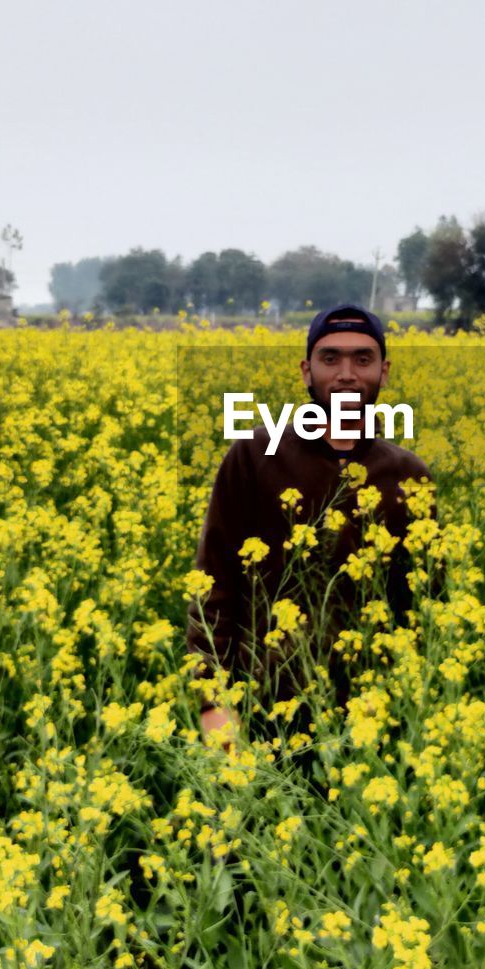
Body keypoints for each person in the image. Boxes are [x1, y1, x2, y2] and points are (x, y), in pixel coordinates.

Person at [185, 303, 435, 752]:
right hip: (262, 711)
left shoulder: (408, 475)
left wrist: (408, 702)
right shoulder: (253, 456)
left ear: (384, 372)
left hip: (371, 718)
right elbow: (213, 586)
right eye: (329, 358)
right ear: (306, 370)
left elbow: (422, 603)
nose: (346, 373)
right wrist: (212, 702)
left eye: (363, 359)